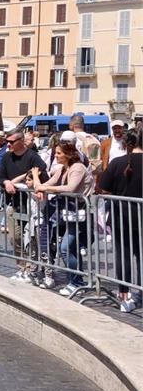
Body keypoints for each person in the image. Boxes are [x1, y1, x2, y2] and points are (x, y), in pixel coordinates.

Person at [31, 141, 94, 297]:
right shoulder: (62, 169)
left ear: (67, 154)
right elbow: (43, 185)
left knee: (65, 248)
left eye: (59, 153)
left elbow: (70, 188)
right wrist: (35, 178)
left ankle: (76, 281)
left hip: (78, 214)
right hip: (67, 214)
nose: (56, 156)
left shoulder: (77, 168)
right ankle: (75, 279)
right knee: (71, 248)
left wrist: (45, 188)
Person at [98, 129, 142, 312]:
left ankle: (124, 293)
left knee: (123, 255)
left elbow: (103, 187)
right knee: (141, 257)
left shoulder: (117, 163)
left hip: (121, 217)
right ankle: (140, 292)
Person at [0, 128, 48, 283]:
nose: (8, 144)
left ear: (20, 141)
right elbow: (1, 176)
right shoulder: (6, 157)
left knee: (31, 239)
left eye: (11, 142)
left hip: (31, 205)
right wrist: (6, 182)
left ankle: (33, 269)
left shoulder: (33, 157)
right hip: (14, 204)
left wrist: (29, 181)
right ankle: (22, 267)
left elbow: (43, 174)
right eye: (7, 142)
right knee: (15, 237)